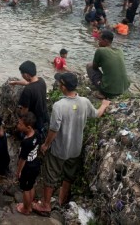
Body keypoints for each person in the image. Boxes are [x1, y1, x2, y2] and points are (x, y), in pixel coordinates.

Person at [33, 73, 110, 217]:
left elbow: (54, 129)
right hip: (75, 149)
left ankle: (45, 205)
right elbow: (96, 114)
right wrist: (104, 105)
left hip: (59, 150)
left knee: (51, 175)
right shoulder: (85, 102)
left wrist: (45, 145)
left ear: (63, 86)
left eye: (60, 83)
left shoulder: (59, 105)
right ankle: (62, 201)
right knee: (68, 175)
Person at [9, 61, 49, 139]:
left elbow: (25, 111)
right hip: (43, 115)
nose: (22, 75)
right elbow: (28, 83)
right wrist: (16, 82)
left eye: (22, 74)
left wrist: (19, 116)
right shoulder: (41, 81)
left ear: (26, 74)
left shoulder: (28, 90)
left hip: (34, 121)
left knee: (29, 137)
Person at [86, 30, 130, 99]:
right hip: (124, 88)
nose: (98, 42)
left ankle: (102, 92)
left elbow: (94, 67)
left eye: (100, 40)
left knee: (89, 66)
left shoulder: (100, 50)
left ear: (105, 41)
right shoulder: (120, 51)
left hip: (109, 91)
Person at [15, 112, 41, 215]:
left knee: (25, 189)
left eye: (20, 124)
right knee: (31, 185)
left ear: (28, 127)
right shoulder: (37, 133)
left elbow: (22, 159)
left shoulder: (26, 142)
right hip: (35, 163)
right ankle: (29, 205)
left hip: (27, 167)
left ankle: (26, 209)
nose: (18, 125)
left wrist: (18, 171)